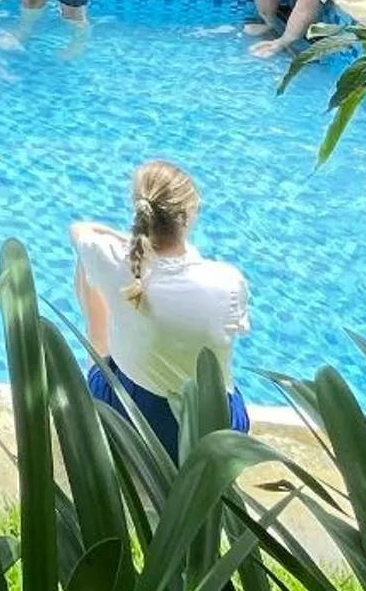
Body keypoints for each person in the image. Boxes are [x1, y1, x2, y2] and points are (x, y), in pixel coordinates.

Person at [70, 160, 252, 453]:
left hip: (133, 420)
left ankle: (96, 348)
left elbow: (80, 230)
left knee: (85, 264)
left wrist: (122, 239)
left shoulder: (113, 261)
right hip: (214, 430)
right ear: (189, 216)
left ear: (139, 209)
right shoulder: (227, 282)